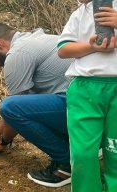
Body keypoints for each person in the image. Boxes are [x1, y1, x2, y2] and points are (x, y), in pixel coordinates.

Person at [0, 21, 73, 187]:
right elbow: (27, 102)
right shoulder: (38, 38)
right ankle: (83, 146)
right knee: (25, 103)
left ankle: (66, 163)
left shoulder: (18, 54)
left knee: (10, 107)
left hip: (77, 107)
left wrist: (1, 141)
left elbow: (14, 110)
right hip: (93, 107)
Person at [57, 1, 117, 191]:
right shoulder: (80, 13)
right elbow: (63, 49)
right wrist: (93, 47)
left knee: (115, 151)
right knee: (83, 153)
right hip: (84, 89)